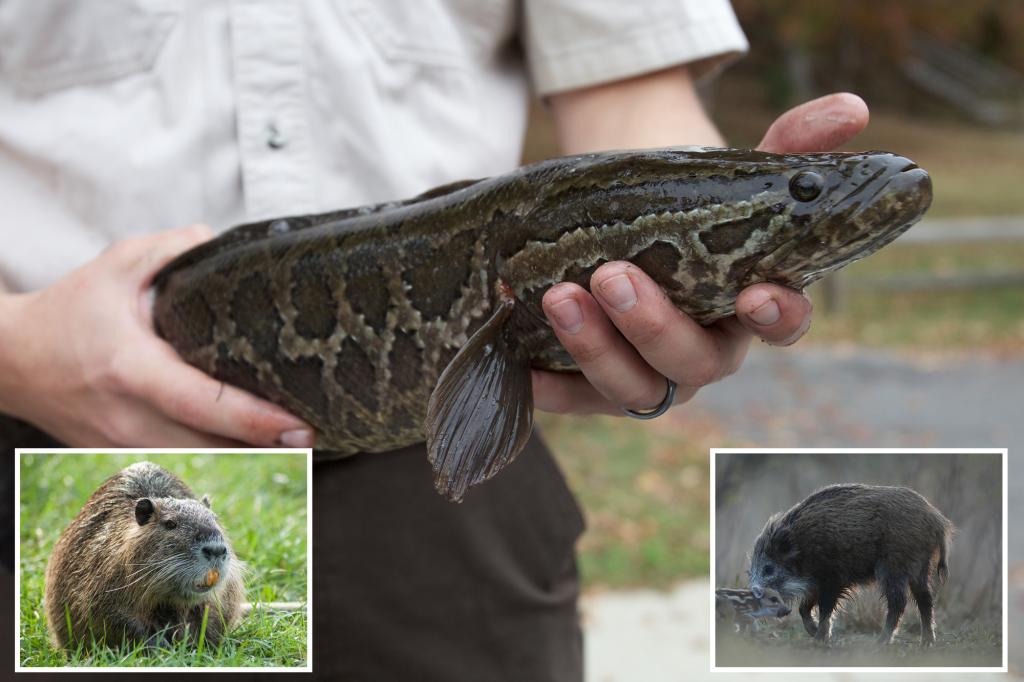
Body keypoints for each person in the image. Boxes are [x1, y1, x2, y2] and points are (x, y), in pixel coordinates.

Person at [0, 1, 868, 679]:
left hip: (449, 477)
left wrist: (712, 232)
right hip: (46, 431)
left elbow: (625, 88)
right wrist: (16, 351)